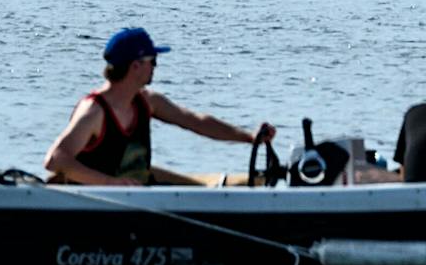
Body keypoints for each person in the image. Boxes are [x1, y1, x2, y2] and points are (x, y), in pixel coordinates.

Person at [43, 28, 276, 187]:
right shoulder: (94, 111)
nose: (155, 67)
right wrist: (110, 183)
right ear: (135, 66)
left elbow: (195, 121)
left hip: (137, 188)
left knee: (207, 191)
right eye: (153, 61)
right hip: (93, 202)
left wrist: (249, 137)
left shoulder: (147, 102)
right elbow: (56, 160)